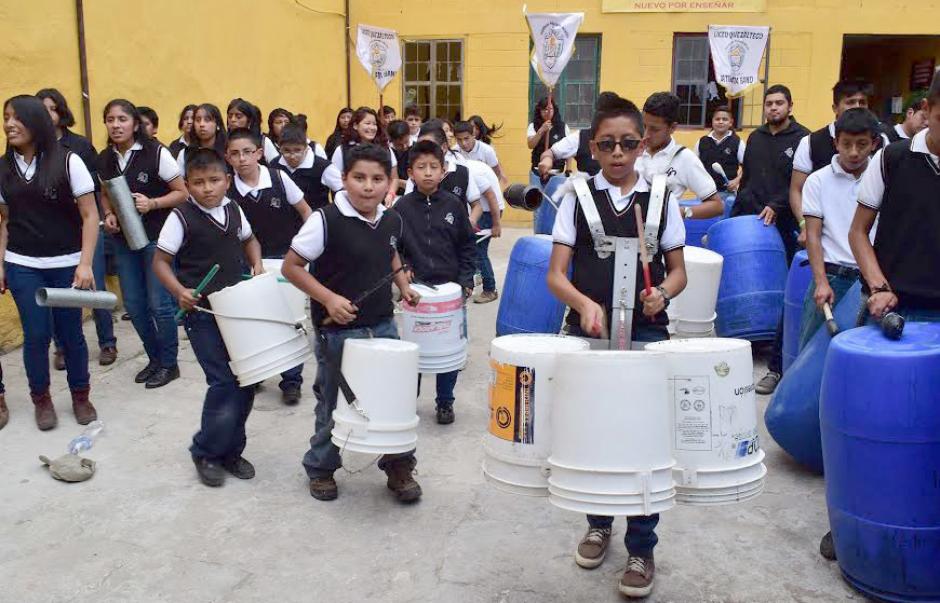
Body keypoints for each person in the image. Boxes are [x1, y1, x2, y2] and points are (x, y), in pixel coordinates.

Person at [547, 92, 686, 599]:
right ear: (593, 146)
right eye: (608, 145)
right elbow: (556, 275)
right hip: (590, 330)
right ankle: (598, 522)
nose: (619, 154)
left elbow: (679, 273)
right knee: (594, 431)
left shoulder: (663, 199)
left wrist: (662, 294)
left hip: (646, 330)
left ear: (643, 142)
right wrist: (584, 304)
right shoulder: (576, 198)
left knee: (644, 436)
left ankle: (642, 546)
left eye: (629, 143)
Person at [833, 71, 940, 560]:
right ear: (929, 107)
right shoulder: (893, 159)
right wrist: (877, 287)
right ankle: (849, 519)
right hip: (893, 310)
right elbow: (859, 233)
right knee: (869, 428)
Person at [281, 144, 422, 503]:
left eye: (377, 178)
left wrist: (403, 285)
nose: (368, 186)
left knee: (394, 398)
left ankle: (398, 465)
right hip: (337, 331)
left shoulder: (391, 218)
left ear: (389, 181)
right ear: (343, 179)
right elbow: (291, 267)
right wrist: (328, 298)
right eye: (359, 177)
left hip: (383, 324)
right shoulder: (324, 220)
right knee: (334, 401)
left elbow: (389, 251)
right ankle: (322, 467)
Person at [154, 148, 263, 487]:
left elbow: (251, 240)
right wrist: (180, 292)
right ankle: (205, 451)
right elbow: (160, 262)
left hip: (237, 309)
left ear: (227, 182)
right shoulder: (181, 217)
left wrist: (256, 264)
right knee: (222, 382)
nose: (207, 188)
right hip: (201, 314)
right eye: (198, 183)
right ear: (186, 185)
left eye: (214, 180)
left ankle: (232, 450)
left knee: (246, 379)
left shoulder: (233, 209)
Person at [0, 94, 100, 430]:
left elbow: (90, 215)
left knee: (71, 333)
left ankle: (80, 395)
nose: (9, 124)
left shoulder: (68, 161)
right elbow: (4, 221)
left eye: (17, 117)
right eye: (6, 117)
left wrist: (85, 264)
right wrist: (1, 264)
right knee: (36, 335)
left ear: (35, 121)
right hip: (22, 264)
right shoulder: (2, 168)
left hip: (67, 264)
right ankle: (41, 400)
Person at [98, 99, 187, 388]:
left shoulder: (155, 152)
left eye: (122, 119)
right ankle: (155, 358)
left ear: (135, 124)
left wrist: (153, 203)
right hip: (123, 240)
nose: (116, 125)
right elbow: (104, 194)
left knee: (159, 304)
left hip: (156, 239)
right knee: (134, 305)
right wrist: (110, 213)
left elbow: (182, 193)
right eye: (110, 120)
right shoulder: (105, 158)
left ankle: (170, 364)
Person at [730, 84, 810, 395]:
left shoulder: (803, 139)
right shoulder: (756, 138)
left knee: (785, 294)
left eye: (779, 103)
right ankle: (748, 347)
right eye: (769, 104)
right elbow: (747, 180)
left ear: (790, 106)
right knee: (747, 288)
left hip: (786, 225)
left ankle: (777, 367)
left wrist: (777, 207)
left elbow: (798, 185)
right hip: (752, 225)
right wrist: (732, 221)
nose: (773, 108)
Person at [225, 128, 312, 404]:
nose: (242, 159)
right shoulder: (227, 189)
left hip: (284, 261)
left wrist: (303, 250)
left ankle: (292, 380)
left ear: (259, 153)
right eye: (235, 154)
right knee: (253, 321)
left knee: (288, 320)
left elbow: (306, 212)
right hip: (245, 265)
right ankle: (258, 372)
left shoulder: (278, 178)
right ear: (227, 157)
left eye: (247, 152)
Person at [393, 140, 476, 424]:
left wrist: (465, 279)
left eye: (433, 167)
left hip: (449, 291)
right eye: (421, 167)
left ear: (443, 171)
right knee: (413, 348)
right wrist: (403, 270)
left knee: (447, 348)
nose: (427, 173)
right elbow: (394, 246)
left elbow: (467, 244)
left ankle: (444, 401)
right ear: (410, 172)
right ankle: (406, 399)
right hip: (415, 293)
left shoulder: (454, 204)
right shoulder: (401, 207)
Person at [36, 87, 117, 368]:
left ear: (61, 112)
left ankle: (107, 341)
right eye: (40, 109)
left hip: (84, 224)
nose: (45, 114)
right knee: (59, 291)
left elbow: (96, 186)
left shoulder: (80, 145)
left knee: (92, 282)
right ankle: (61, 347)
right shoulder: (34, 148)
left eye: (50, 108)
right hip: (52, 231)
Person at [799, 108, 879, 350]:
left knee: (863, 354)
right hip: (832, 277)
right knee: (812, 354)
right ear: (836, 143)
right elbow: (813, 234)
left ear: (874, 144)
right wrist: (821, 281)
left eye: (862, 144)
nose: (853, 152)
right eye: (847, 144)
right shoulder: (817, 180)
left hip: (870, 281)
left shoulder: (883, 177)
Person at [790, 80, 874, 248]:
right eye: (850, 102)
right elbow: (796, 190)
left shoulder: (882, 141)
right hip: (824, 239)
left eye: (862, 102)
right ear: (835, 108)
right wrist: (805, 224)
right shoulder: (811, 142)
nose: (857, 107)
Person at [638, 92, 723, 219]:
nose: (646, 134)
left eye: (654, 129)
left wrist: (681, 212)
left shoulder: (684, 158)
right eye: (644, 126)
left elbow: (717, 206)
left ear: (672, 128)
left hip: (662, 235)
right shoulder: (631, 149)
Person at [330, 107, 399, 205]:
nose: (371, 128)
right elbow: (335, 179)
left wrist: (390, 194)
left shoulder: (385, 148)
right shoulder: (342, 150)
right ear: (355, 125)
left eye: (374, 124)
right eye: (367, 123)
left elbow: (394, 177)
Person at [271, 124, 342, 211]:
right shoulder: (274, 165)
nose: (292, 156)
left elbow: (343, 190)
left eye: (297, 150)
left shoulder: (323, 167)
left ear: (306, 148)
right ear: (280, 149)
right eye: (286, 151)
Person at [694, 105, 745, 199]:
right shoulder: (702, 142)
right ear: (712, 121)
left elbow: (747, 166)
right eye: (717, 119)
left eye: (724, 119)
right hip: (705, 193)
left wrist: (736, 181)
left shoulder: (737, 142)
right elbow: (694, 167)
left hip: (728, 194)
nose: (720, 122)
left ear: (731, 122)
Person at [176, 103, 227, 176]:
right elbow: (180, 184)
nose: (201, 124)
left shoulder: (228, 151)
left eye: (207, 120)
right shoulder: (185, 154)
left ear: (217, 124)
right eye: (198, 120)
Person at [454, 120, 508, 187]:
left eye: (466, 138)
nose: (463, 143)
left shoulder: (487, 150)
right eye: (459, 139)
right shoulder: (454, 151)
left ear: (473, 135)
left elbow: (497, 173)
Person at [527, 96, 569, 174]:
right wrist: (541, 130)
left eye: (550, 109)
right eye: (544, 109)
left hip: (557, 171)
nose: (547, 112)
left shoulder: (563, 127)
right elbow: (530, 145)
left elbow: (568, 149)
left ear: (554, 110)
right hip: (537, 170)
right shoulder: (533, 126)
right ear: (539, 111)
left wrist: (568, 169)